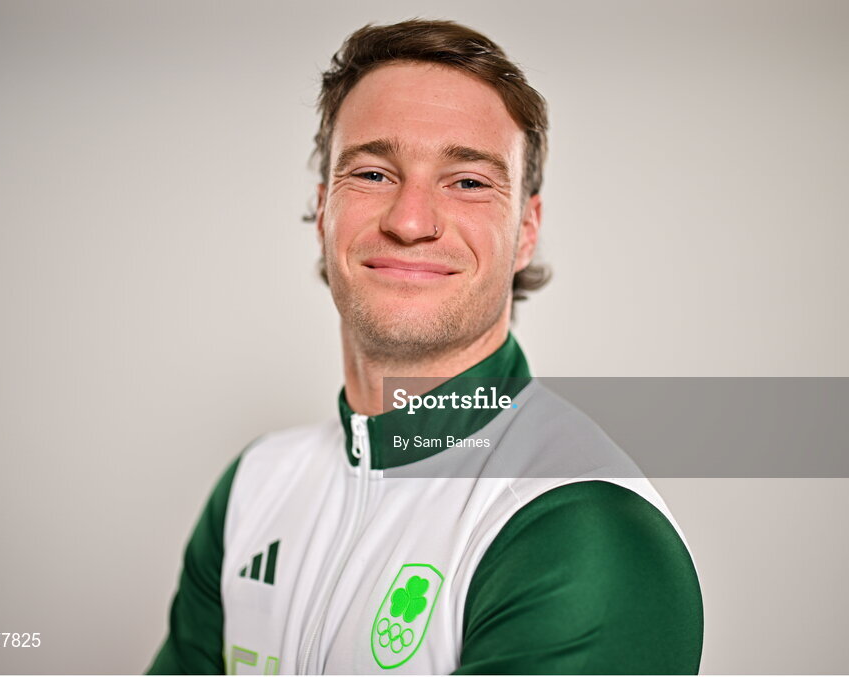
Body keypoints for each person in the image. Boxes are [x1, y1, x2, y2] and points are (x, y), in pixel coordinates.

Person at [147, 19, 702, 675]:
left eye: (466, 180)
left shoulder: (580, 524)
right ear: (324, 209)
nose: (409, 220)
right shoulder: (254, 487)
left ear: (525, 230)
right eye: (374, 173)